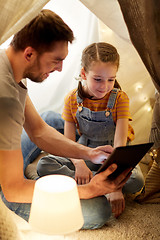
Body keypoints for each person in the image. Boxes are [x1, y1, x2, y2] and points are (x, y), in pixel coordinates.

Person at [0, 9, 132, 229]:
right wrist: (90, 190)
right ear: (30, 54)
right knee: (98, 212)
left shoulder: (9, 65)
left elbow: (39, 131)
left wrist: (89, 153)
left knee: (50, 118)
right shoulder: (6, 99)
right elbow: (13, 189)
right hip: (8, 187)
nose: (61, 68)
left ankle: (29, 169)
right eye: (56, 60)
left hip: (6, 156)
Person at [36, 42, 144, 218]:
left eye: (111, 79)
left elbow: (120, 143)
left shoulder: (120, 99)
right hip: (84, 150)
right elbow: (69, 142)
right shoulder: (71, 99)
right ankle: (97, 185)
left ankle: (97, 185)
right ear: (84, 73)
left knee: (136, 181)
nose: (105, 86)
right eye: (98, 79)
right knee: (44, 165)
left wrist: (115, 183)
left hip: (113, 154)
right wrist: (79, 165)